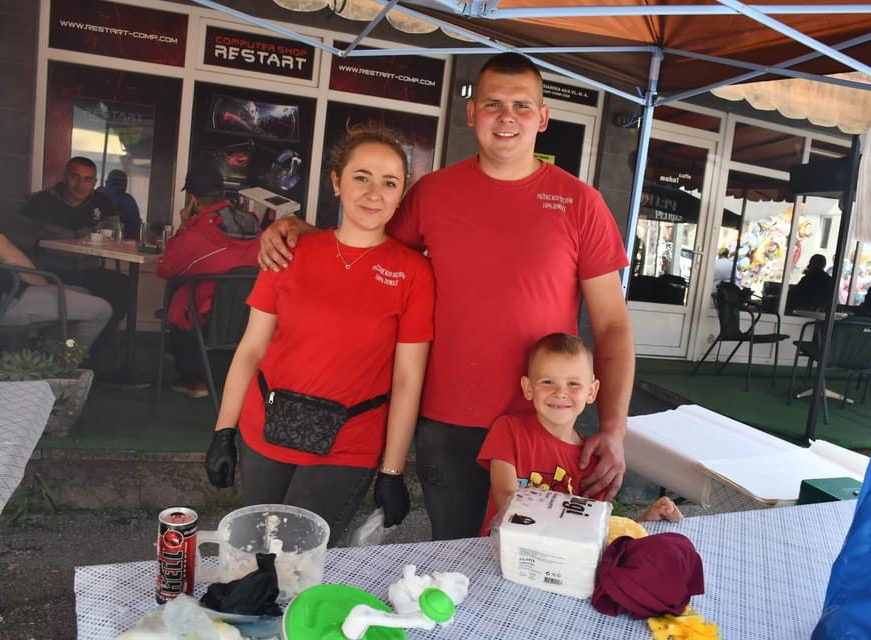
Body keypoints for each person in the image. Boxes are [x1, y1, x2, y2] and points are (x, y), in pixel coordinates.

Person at [259, 53, 634, 541]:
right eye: (493, 103)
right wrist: (301, 231)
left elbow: (612, 325)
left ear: (542, 118)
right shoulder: (433, 193)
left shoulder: (581, 203)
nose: (506, 117)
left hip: (541, 422)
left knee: (540, 555)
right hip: (446, 420)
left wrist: (614, 428)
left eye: (521, 106)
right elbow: (368, 246)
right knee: (453, 551)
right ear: (472, 113)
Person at [203, 125, 435, 546]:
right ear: (336, 181)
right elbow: (251, 348)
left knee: (298, 560)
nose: (374, 194)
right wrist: (223, 431)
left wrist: (392, 470)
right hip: (265, 431)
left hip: (348, 444)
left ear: (401, 193)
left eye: (389, 183)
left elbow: (407, 378)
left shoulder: (413, 272)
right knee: (258, 553)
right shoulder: (287, 252)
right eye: (361, 177)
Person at [476, 333, 681, 535]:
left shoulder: (591, 461)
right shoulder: (508, 431)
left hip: (562, 555)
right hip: (501, 550)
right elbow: (505, 500)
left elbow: (595, 532)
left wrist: (643, 522)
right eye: (548, 382)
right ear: (528, 388)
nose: (560, 392)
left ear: (591, 392)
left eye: (573, 384)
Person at [155, 166, 260, 399]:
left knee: (179, 297)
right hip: (252, 317)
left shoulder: (196, 233)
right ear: (222, 192)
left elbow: (165, 269)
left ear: (192, 199)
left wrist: (184, 225)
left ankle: (193, 379)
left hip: (210, 317)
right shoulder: (254, 224)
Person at [19, 156, 130, 344]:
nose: (81, 185)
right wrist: (46, 246)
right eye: (75, 177)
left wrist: (103, 242)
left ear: (95, 182)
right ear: (65, 177)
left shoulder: (103, 203)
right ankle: (58, 347)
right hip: (49, 272)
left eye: (87, 179)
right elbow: (18, 238)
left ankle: (90, 348)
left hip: (88, 271)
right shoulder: (41, 201)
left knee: (122, 286)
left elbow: (115, 235)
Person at [0, 207, 111, 347]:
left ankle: (50, 352)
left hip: (5, 290)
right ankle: (65, 359)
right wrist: (42, 283)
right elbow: (9, 256)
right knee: (102, 309)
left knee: (84, 292)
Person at [99, 169, 141, 241]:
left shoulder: (128, 202)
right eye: (116, 182)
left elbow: (133, 233)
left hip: (122, 241)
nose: (119, 186)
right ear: (106, 183)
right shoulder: (98, 196)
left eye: (122, 183)